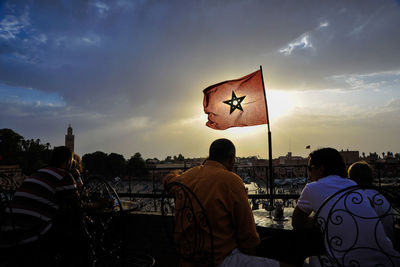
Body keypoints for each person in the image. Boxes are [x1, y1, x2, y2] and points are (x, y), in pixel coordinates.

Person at [164, 138, 290, 267]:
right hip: (219, 260)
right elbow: (247, 235)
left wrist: (176, 175)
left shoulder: (186, 177)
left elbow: (169, 182)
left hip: (187, 258)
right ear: (231, 159)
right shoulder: (231, 181)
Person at [293, 148, 399, 266]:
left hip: (346, 263)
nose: (308, 173)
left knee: (299, 258)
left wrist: (320, 221)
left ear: (321, 169)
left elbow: (297, 222)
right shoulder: (353, 185)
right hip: (388, 260)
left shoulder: (312, 188)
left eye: (310, 168)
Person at [7, 146, 88, 266]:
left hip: (9, 235)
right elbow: (77, 207)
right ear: (68, 161)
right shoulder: (64, 175)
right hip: (30, 237)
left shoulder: (36, 174)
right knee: (76, 228)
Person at [348, 161, 395, 242]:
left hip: (365, 248)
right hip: (388, 244)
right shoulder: (381, 197)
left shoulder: (354, 199)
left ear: (351, 179)